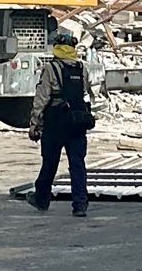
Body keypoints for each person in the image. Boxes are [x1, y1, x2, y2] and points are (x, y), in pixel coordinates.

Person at [28, 30, 94, 217]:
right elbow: (88, 94)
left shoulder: (51, 68)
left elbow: (42, 98)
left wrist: (34, 124)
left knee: (50, 163)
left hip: (55, 122)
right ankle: (80, 204)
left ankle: (41, 199)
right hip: (77, 121)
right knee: (77, 164)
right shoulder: (82, 68)